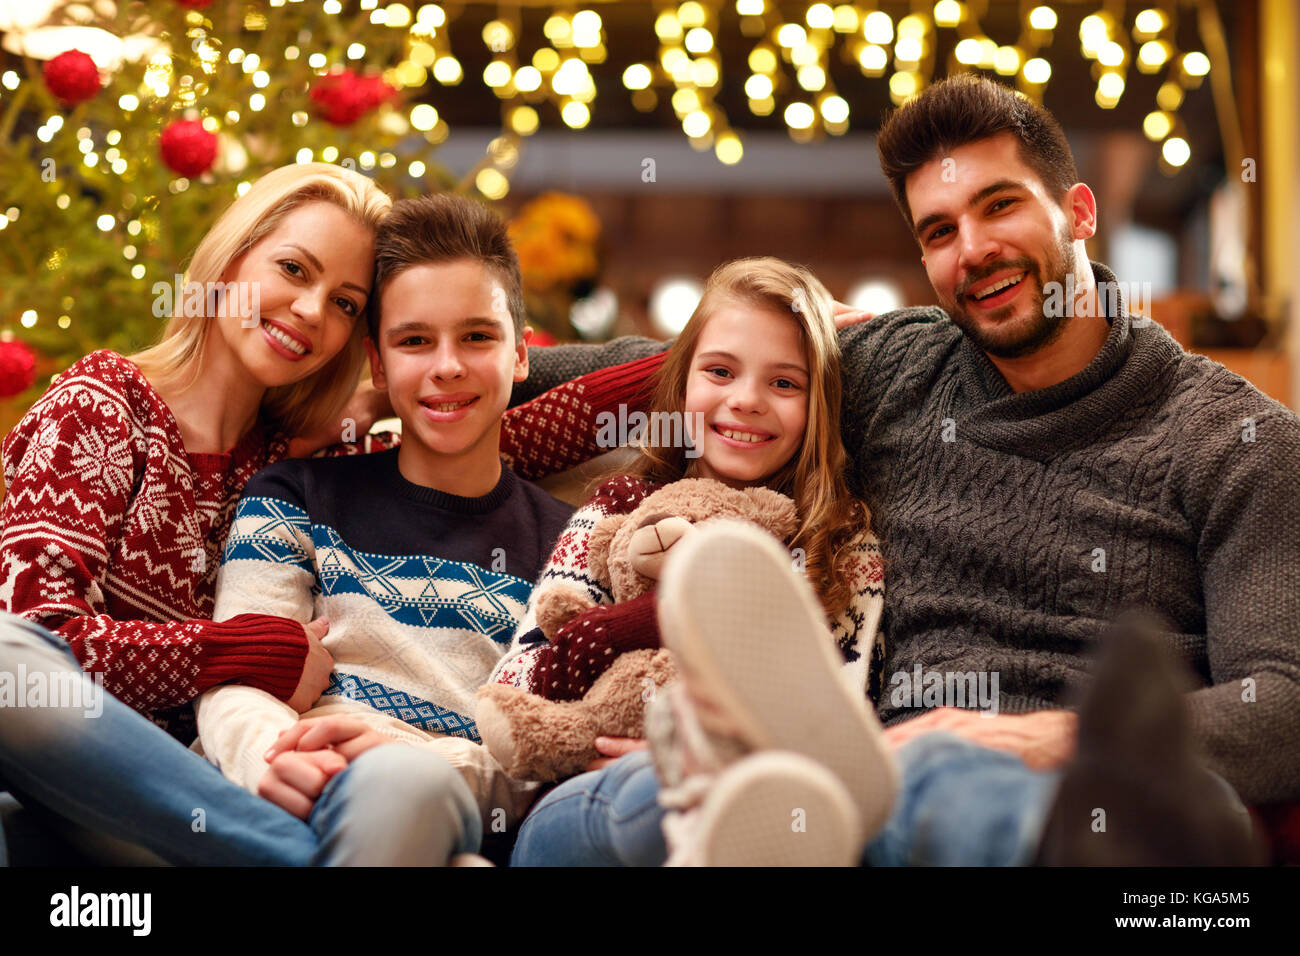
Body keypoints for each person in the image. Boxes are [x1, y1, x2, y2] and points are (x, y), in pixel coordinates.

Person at [506, 75, 1299, 864]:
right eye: (940, 231)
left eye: (999, 206)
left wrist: (1060, 736)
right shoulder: (897, 366)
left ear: (1079, 211)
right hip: (875, 773)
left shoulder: (1235, 439)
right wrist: (471, 377)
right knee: (583, 824)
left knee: (943, 774)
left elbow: (1286, 705)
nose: (974, 250)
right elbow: (699, 365)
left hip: (1095, 777)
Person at [194, 194, 574, 866]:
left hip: (446, 800)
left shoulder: (572, 548)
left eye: (477, 337)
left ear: (522, 354)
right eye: (415, 340)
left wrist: (419, 766)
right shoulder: (296, 494)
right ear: (377, 364)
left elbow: (548, 748)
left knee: (407, 791)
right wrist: (269, 756)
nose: (446, 366)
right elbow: (241, 672)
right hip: (288, 788)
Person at [496, 257, 895, 866]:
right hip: (583, 797)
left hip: (769, 795)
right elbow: (518, 683)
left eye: (785, 383)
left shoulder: (840, 540)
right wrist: (645, 630)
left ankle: (721, 798)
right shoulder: (622, 506)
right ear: (682, 383)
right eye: (720, 371)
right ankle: (705, 797)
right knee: (673, 791)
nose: (747, 400)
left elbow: (845, 709)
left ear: (820, 406)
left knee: (771, 795)